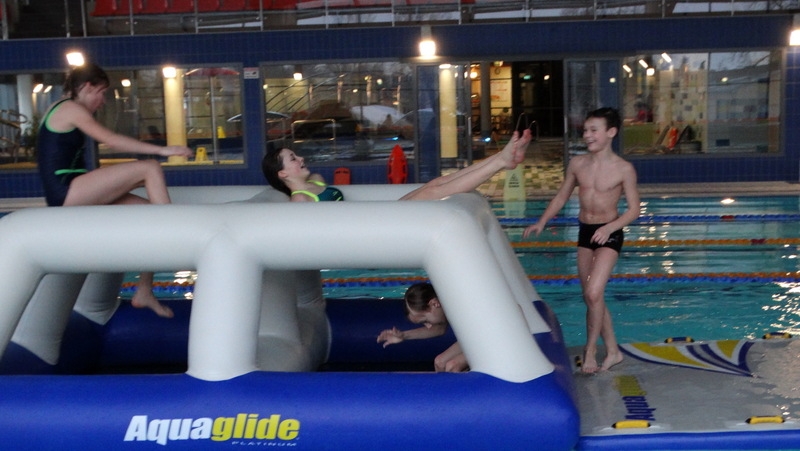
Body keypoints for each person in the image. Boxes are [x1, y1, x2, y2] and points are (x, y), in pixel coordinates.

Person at [37, 62, 193, 318]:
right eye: (102, 93)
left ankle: (144, 290)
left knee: (149, 215)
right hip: (66, 191)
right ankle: (172, 231)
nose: (103, 101)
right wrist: (163, 150)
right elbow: (111, 140)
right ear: (87, 87)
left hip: (76, 188)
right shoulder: (70, 108)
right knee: (150, 167)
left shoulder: (64, 107)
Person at [523, 107, 639, 374]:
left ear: (611, 132)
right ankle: (613, 351)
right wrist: (542, 221)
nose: (587, 135)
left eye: (593, 130)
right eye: (585, 130)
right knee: (591, 297)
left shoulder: (624, 169)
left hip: (610, 232)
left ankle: (590, 351)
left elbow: (634, 210)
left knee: (594, 292)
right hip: (586, 232)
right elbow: (561, 196)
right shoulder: (577, 164)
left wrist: (610, 228)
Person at [261, 128, 531, 202]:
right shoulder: (300, 199)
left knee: (435, 183)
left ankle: (500, 158)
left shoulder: (316, 182)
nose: (301, 159)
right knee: (433, 192)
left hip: (370, 220)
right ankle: (500, 161)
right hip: (365, 233)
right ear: (282, 173)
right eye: (293, 159)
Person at [376, 282, 467, 372]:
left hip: (476, 337)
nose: (428, 326)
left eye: (425, 320)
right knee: (440, 363)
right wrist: (403, 335)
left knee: (453, 365)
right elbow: (440, 329)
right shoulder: (443, 306)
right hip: (471, 338)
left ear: (434, 303)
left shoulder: (460, 305)